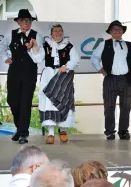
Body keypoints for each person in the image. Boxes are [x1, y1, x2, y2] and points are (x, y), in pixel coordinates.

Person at [0, 9, 43, 144]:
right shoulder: (10, 35)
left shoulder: (37, 36)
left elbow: (39, 56)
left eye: (29, 20)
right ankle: (19, 129)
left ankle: (23, 133)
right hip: (14, 71)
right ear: (18, 22)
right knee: (12, 100)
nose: (26, 22)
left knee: (25, 102)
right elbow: (2, 48)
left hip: (29, 72)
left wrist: (32, 48)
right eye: (23, 20)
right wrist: (6, 57)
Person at [32, 24, 80, 144]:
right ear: (51, 33)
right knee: (49, 102)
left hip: (64, 76)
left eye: (60, 31)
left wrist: (67, 66)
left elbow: (75, 59)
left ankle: (63, 130)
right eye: (55, 31)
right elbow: (37, 59)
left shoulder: (69, 46)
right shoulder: (46, 45)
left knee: (64, 101)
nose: (58, 33)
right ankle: (51, 132)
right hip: (49, 74)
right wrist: (35, 47)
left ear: (62, 32)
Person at [91, 20, 131, 140]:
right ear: (110, 32)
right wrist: (100, 70)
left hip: (126, 78)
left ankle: (123, 131)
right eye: (114, 29)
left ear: (122, 31)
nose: (117, 31)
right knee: (109, 106)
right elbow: (94, 58)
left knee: (126, 106)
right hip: (110, 78)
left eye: (119, 29)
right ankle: (110, 131)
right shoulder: (104, 44)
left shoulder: (129, 45)